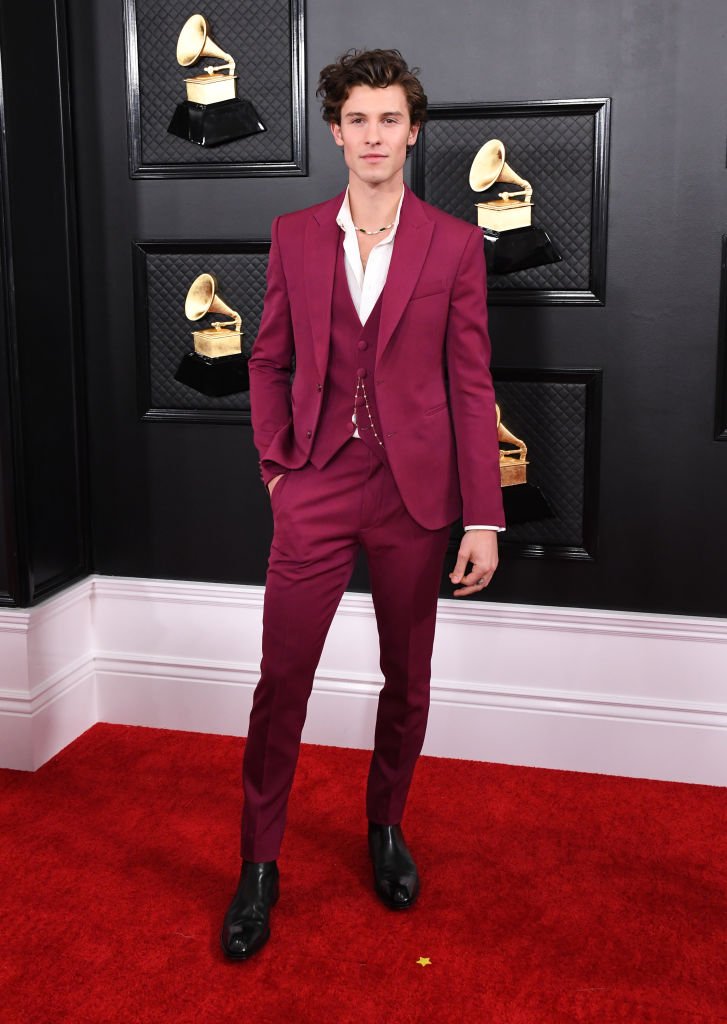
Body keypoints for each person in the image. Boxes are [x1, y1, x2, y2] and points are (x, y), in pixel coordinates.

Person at [221, 48, 505, 961]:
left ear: (411, 132)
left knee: (406, 679)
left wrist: (484, 516)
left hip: (415, 494)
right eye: (357, 119)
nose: (373, 135)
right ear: (336, 131)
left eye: (389, 119)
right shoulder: (293, 233)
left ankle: (385, 827)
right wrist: (277, 470)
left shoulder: (456, 244)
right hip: (314, 482)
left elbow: (470, 386)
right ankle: (258, 866)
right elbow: (265, 360)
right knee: (282, 684)